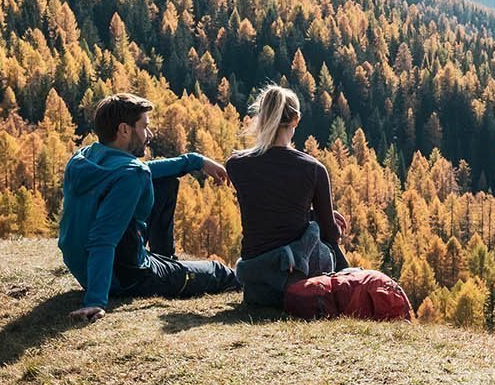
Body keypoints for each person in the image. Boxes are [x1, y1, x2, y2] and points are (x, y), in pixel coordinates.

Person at [58, 93, 239, 322]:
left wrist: (195, 161)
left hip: (82, 266)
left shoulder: (83, 158)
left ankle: (167, 260)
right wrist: (95, 301)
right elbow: (102, 238)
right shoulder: (131, 174)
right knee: (218, 272)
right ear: (124, 130)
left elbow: (141, 171)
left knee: (165, 180)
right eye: (144, 127)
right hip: (127, 276)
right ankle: (173, 274)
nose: (149, 135)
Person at [226, 85, 350, 307]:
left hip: (256, 277)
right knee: (324, 240)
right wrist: (325, 221)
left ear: (262, 117)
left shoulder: (236, 165)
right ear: (296, 119)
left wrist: (310, 214)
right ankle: (349, 288)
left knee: (313, 227)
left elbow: (267, 205)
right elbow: (331, 235)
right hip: (297, 277)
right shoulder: (313, 169)